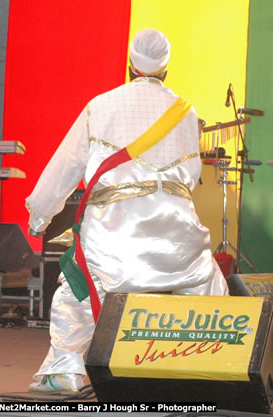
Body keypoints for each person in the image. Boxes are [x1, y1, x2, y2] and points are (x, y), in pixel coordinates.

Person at [25, 29, 229, 393]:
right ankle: (215, 366)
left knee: (79, 290)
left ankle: (63, 370)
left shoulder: (100, 106)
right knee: (207, 284)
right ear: (165, 70)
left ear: (130, 65)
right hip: (177, 233)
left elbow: (66, 165)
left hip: (116, 232)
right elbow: (193, 175)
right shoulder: (186, 111)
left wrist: (39, 216)